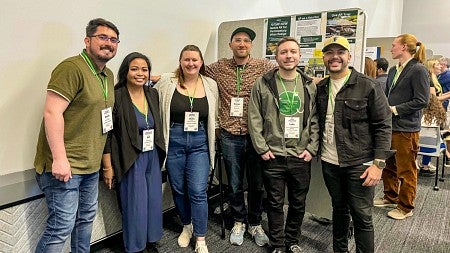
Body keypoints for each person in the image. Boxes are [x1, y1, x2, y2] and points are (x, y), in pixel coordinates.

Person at [33, 18, 119, 252]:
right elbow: (52, 112)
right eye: (102, 37)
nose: (108, 43)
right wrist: (60, 159)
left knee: (84, 222)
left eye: (113, 40)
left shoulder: (108, 75)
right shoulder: (71, 68)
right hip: (64, 168)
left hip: (89, 167)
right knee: (61, 228)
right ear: (87, 40)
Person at [316, 36, 392, 253]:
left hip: (359, 163)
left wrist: (378, 165)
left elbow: (384, 125)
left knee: (361, 215)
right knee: (338, 210)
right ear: (324, 58)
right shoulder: (322, 87)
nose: (335, 57)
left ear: (349, 56)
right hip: (330, 161)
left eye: (340, 52)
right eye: (329, 52)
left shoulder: (367, 86)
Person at [205, 26, 276, 247]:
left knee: (257, 184)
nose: (242, 44)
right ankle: (238, 221)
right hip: (229, 136)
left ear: (251, 45)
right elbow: (192, 68)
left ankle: (255, 222)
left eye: (246, 40)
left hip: (256, 136)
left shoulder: (263, 66)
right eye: (238, 40)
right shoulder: (218, 68)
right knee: (234, 183)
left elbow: (287, 70)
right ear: (231, 44)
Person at [248, 37, 319, 253]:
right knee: (275, 203)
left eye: (293, 52)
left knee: (298, 203)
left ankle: (292, 241)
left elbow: (315, 119)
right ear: (276, 56)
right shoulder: (263, 83)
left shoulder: (309, 85)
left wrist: (311, 148)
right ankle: (278, 244)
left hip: (300, 155)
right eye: (284, 52)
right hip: (273, 155)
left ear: (299, 56)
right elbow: (254, 117)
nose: (288, 56)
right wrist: (262, 148)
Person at [155, 45, 218, 253]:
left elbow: (214, 115)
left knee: (198, 191)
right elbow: (148, 93)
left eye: (195, 60)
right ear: (180, 61)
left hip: (199, 141)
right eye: (186, 60)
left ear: (201, 62)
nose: (191, 63)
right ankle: (186, 225)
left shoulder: (210, 84)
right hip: (174, 140)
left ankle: (200, 237)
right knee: (179, 190)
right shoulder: (167, 82)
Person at [102, 52, 165, 252]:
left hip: (152, 155)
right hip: (130, 158)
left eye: (144, 69)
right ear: (125, 71)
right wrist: (107, 167)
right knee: (135, 205)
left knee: (154, 200)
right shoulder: (116, 96)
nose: (140, 73)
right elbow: (107, 133)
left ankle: (150, 240)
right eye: (134, 68)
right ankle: (135, 246)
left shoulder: (152, 94)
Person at [374, 34, 429, 220]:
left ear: (404, 47)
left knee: (406, 169)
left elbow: (422, 100)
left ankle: (405, 206)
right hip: (389, 126)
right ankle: (390, 196)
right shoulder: (392, 70)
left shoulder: (419, 70)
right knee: (388, 165)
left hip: (406, 129)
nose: (391, 49)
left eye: (393, 45)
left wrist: (395, 109)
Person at [417, 94, 447, 176]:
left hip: (417, 147)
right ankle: (425, 166)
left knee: (428, 139)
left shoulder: (418, 116)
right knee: (438, 139)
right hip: (434, 149)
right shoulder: (438, 117)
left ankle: (422, 165)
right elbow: (441, 129)